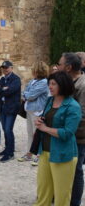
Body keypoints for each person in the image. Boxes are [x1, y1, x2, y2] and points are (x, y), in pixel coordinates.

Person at [33, 71, 81, 206]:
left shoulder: (73, 106)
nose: (50, 86)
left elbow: (67, 133)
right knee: (43, 191)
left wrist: (45, 129)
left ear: (63, 85)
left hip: (63, 155)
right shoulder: (50, 100)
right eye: (49, 83)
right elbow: (47, 120)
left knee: (62, 196)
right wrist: (39, 122)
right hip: (45, 152)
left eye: (54, 84)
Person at [57, 53, 85, 206]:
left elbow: (83, 115)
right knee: (62, 168)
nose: (57, 67)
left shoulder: (83, 85)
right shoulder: (67, 82)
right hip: (63, 135)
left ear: (68, 68)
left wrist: (64, 129)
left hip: (77, 137)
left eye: (59, 64)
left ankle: (74, 202)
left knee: (76, 171)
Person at [18, 61, 49, 166]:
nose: (32, 71)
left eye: (33, 69)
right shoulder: (32, 81)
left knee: (38, 134)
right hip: (29, 110)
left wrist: (26, 95)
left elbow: (30, 95)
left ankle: (39, 155)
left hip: (37, 111)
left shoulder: (44, 82)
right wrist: (26, 94)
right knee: (30, 133)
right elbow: (24, 93)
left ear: (38, 70)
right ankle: (29, 153)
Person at [0, 61, 21, 163]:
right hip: (3, 108)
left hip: (11, 108)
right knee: (5, 129)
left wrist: (2, 89)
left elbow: (10, 91)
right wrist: (3, 89)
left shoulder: (16, 79)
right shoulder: (2, 78)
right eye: (3, 68)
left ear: (11, 68)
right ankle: (7, 149)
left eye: (7, 67)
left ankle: (10, 153)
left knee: (8, 130)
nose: (5, 69)